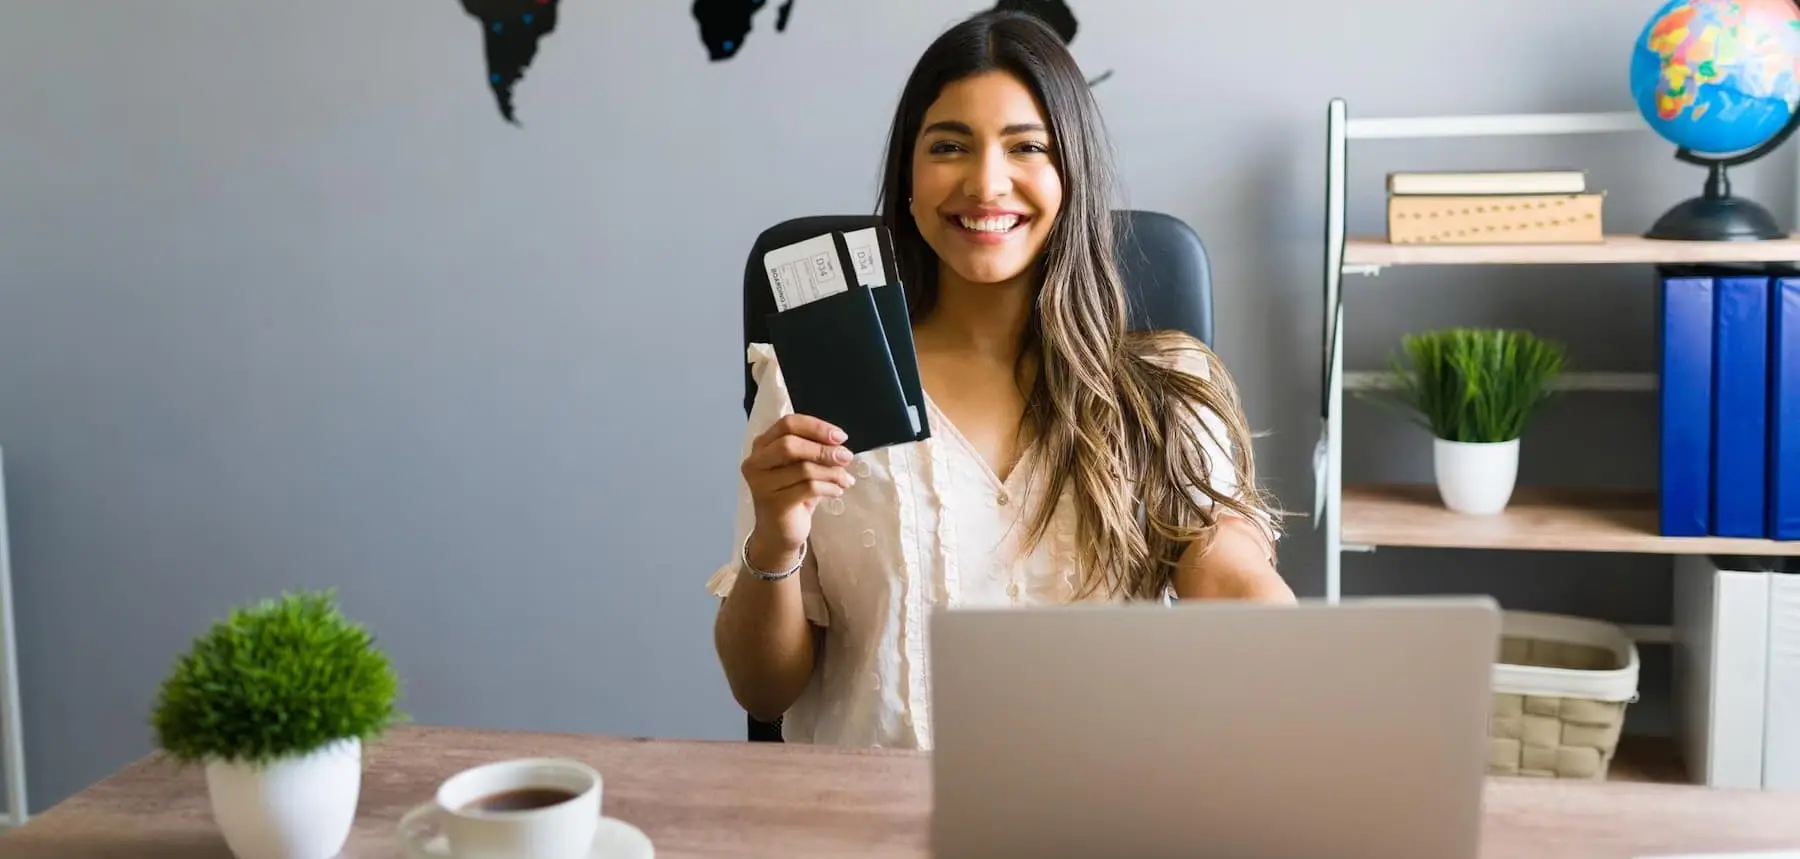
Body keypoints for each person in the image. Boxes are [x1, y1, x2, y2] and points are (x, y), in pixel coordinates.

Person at [707, 9, 1294, 749]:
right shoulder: (810, 390)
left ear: (1070, 175)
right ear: (909, 180)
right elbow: (763, 690)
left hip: (1103, 811)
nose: (986, 184)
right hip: (866, 824)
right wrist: (777, 534)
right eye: (949, 146)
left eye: (1027, 148)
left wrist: (1302, 659)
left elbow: (1229, 570)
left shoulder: (1165, 388)